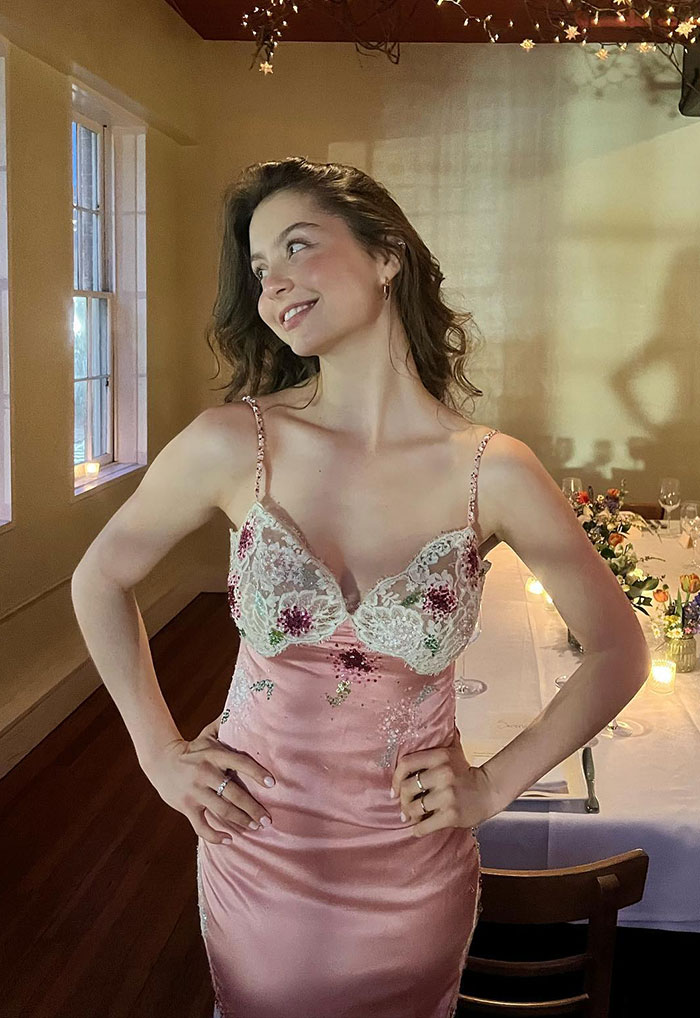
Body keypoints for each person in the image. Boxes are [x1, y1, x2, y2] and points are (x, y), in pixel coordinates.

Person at [71, 157, 651, 1017]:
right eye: (261, 270)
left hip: (413, 863)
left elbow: (618, 650)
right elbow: (100, 578)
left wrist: (492, 785)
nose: (274, 286)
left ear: (387, 255)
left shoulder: (495, 470)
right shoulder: (232, 442)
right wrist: (159, 754)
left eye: (298, 247)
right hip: (258, 847)